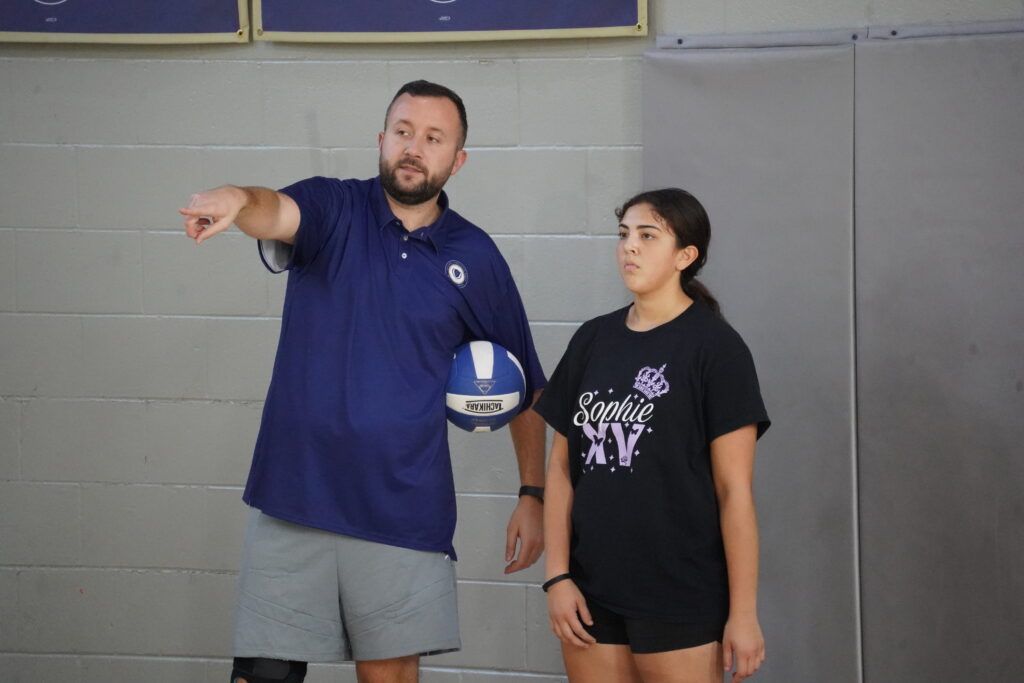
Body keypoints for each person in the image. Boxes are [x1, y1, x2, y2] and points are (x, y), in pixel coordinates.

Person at [179, 80, 547, 683]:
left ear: (457, 160)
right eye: (403, 131)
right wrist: (238, 200)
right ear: (381, 139)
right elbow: (274, 209)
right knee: (262, 676)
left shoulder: (475, 256)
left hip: (402, 512)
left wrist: (533, 494)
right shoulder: (333, 208)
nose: (413, 147)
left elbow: (528, 385)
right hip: (294, 497)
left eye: (433, 138)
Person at [533, 188, 771, 683]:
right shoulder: (592, 339)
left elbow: (734, 492)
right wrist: (557, 575)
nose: (629, 247)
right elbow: (560, 469)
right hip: (591, 590)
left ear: (686, 256)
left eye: (647, 236)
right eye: (623, 235)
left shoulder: (717, 349)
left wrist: (743, 613)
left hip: (681, 592)